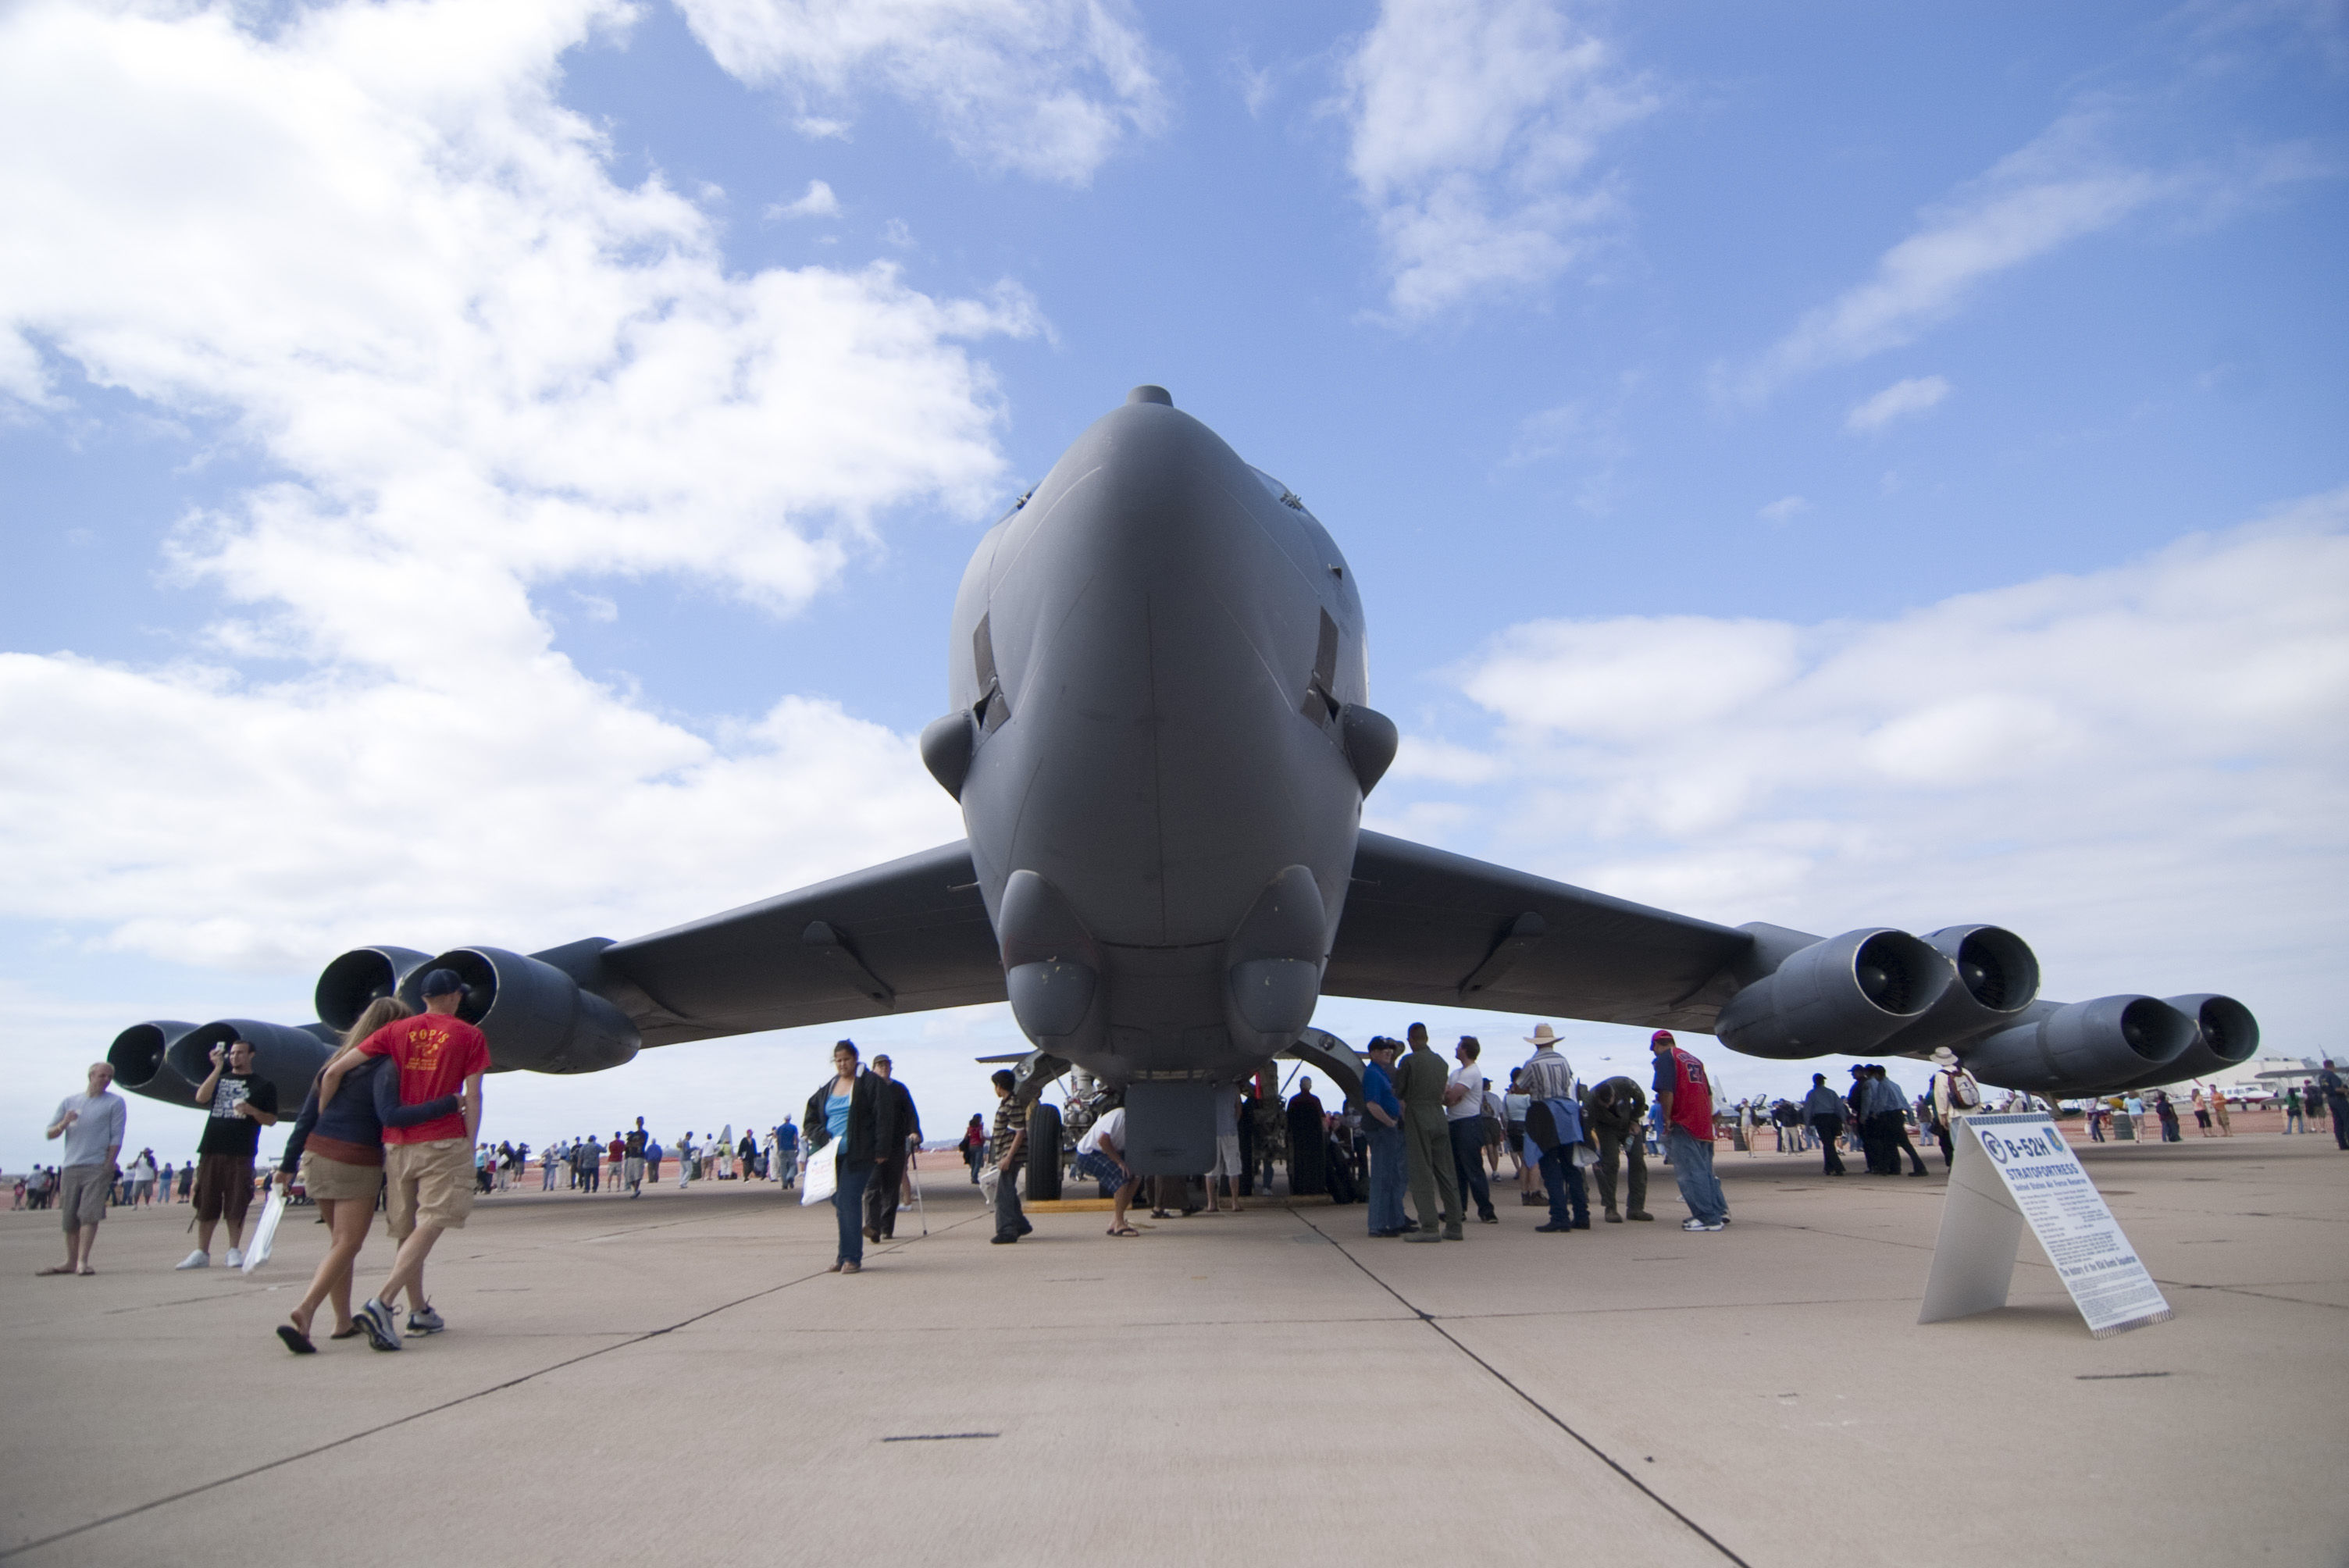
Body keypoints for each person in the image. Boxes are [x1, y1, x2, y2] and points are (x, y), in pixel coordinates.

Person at [272, 997, 462, 1352]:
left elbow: (305, 1119)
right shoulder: (386, 1065)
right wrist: (448, 1104)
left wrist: (286, 1166)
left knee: (338, 1246)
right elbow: (390, 1116)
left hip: (316, 1155)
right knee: (348, 1243)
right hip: (354, 1159)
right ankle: (306, 1309)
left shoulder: (336, 1064)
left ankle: (342, 1323)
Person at [317, 968, 490, 1351]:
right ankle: (383, 1301)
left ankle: (419, 1311)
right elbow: (473, 1095)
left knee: (407, 1228)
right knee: (433, 1220)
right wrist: (470, 1142)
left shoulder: (395, 1032)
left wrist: (324, 1118)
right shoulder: (469, 1035)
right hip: (443, 1140)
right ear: (453, 997)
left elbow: (336, 1070)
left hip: (397, 1144)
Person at [179, 1035, 281, 1270]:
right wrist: (216, 1069)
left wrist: (253, 1110)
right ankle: (201, 1252)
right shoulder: (220, 1080)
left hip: (241, 1151)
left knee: (237, 1200)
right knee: (206, 1199)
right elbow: (201, 1097)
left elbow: (271, 1119)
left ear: (251, 1055)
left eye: (240, 1053)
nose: (235, 1057)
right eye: (232, 1053)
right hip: (212, 1148)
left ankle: (234, 1250)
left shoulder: (263, 1085)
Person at [804, 1041, 886, 1272]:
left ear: (855, 1059)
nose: (842, 1064)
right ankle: (843, 1255)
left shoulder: (869, 1083)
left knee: (848, 1200)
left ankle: (852, 1258)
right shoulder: (829, 1087)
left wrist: (881, 1149)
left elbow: (883, 1115)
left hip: (860, 1153)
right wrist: (820, 1134)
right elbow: (810, 1118)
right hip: (832, 1157)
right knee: (839, 1202)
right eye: (838, 1060)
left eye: (846, 1059)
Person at [41, 1062, 127, 1277]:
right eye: (102, 1076)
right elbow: (49, 1133)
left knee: (89, 1214)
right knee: (69, 1217)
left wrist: (109, 1163)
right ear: (91, 1075)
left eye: (109, 1077)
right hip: (71, 1166)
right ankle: (69, 1260)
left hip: (97, 1166)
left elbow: (117, 1135)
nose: (106, 1080)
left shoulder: (115, 1103)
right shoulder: (70, 1102)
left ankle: (82, 1261)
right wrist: (64, 1123)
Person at [1651, 1031, 1727, 1232]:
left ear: (1657, 1045)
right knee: (1705, 1171)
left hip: (1684, 1121)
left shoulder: (1667, 1059)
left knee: (1690, 1173)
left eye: (1654, 1049)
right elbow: (1708, 1094)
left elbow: (1666, 1091)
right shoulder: (1694, 1060)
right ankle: (1718, 1211)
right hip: (1702, 1123)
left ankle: (1707, 1217)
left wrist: (1667, 1118)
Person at [1394, 1024, 1463, 1242]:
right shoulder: (1441, 1062)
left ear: (1411, 1040)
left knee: (1421, 1172)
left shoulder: (1409, 1061)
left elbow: (1399, 1090)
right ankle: (1454, 1225)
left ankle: (1430, 1226)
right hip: (1438, 1114)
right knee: (1446, 1171)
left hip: (1418, 1114)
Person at [1516, 1025, 1587, 1232]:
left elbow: (1520, 1087)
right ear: (1553, 1042)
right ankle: (1582, 1215)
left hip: (1544, 1113)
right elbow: (1567, 1083)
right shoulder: (1563, 1060)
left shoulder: (1533, 1063)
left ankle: (1559, 1216)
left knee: (1549, 1165)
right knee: (1570, 1166)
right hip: (1565, 1112)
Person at [863, 1054, 921, 1242]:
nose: (884, 1068)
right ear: (873, 1069)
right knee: (872, 1186)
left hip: (895, 1143)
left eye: (887, 1065)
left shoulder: (899, 1089)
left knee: (891, 1187)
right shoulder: (866, 1089)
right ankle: (872, 1226)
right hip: (872, 1145)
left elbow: (911, 1112)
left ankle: (886, 1227)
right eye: (880, 1066)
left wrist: (914, 1132)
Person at [1443, 1037, 1499, 1225]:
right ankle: (1459, 1209)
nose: (1456, 1048)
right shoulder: (1456, 1073)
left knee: (1472, 1167)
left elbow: (1450, 1095)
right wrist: (1449, 1097)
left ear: (1465, 1050)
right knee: (1457, 1169)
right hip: (1454, 1122)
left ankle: (1487, 1210)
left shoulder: (1471, 1072)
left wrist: (1449, 1096)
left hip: (1468, 1123)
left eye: (1458, 1046)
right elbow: (1448, 1097)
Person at [1584, 1074, 1651, 1223]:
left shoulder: (1625, 1084)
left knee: (1638, 1161)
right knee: (1611, 1163)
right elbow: (1587, 1129)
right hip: (1606, 1128)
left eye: (1610, 1102)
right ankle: (1610, 1208)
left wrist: (1635, 1119)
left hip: (1628, 1123)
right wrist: (1591, 1154)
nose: (1607, 1106)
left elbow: (1640, 1099)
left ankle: (1636, 1208)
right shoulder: (1589, 1102)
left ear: (1614, 1094)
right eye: (1604, 1104)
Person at [1359, 1038, 1409, 1237]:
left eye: (1389, 1050)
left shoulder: (1382, 1073)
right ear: (1373, 1053)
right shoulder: (1372, 1074)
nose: (1388, 1053)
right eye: (1383, 1050)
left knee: (1391, 1176)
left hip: (1387, 1129)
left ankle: (1394, 1220)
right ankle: (1377, 1224)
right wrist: (1390, 1122)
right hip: (1381, 1130)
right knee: (1381, 1178)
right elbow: (1372, 1104)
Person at [1076, 1096, 1138, 1236]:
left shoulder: (1139, 1123)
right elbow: (1103, 1140)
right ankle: (1120, 1224)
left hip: (1109, 1151)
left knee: (1137, 1175)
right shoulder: (1120, 1115)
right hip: (1089, 1152)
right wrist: (1120, 1162)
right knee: (1120, 1178)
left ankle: (1115, 1220)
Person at [986, 1068, 1033, 1245]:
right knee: (1009, 1191)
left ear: (999, 1086)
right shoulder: (1008, 1103)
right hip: (1006, 1154)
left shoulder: (1012, 1105)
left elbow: (1019, 1133)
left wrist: (1008, 1157)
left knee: (1002, 1195)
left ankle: (1007, 1230)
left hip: (1010, 1155)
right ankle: (1020, 1224)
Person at [1927, 1048, 1984, 1169]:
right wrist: (1978, 1107)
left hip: (1955, 1113)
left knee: (1958, 1145)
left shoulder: (1941, 1075)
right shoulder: (1964, 1071)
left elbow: (1941, 1096)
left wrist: (1942, 1115)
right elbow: (1975, 1088)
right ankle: (1977, 1167)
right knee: (1973, 1143)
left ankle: (1964, 1170)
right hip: (1972, 1112)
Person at [1869, 1065, 1930, 1175]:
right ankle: (1889, 1168)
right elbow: (1904, 1101)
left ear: (1877, 1074)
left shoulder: (1882, 1085)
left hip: (1889, 1116)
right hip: (1898, 1115)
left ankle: (1920, 1167)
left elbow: (1882, 1102)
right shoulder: (1895, 1085)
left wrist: (1875, 1113)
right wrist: (1910, 1116)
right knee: (1889, 1143)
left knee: (1902, 1143)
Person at [1204, 1081, 1246, 1213]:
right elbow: (1239, 1108)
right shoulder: (1233, 1088)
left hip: (1212, 1133)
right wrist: (1233, 1122)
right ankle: (1235, 1203)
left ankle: (1211, 1203)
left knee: (1211, 1170)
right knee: (1233, 1168)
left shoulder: (1208, 1087)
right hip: (1230, 1132)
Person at [1802, 1072, 1847, 1176]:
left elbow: (1807, 1110)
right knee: (1829, 1143)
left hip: (1821, 1119)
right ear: (1823, 1081)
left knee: (1828, 1144)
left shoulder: (1812, 1094)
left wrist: (1807, 1124)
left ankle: (1838, 1167)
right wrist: (1844, 1120)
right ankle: (1828, 1167)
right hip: (1833, 1119)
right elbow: (1840, 1107)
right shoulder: (1831, 1092)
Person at [2319, 1062, 2349, 1151]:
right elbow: (2337, 1089)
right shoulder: (2332, 1076)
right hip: (2339, 1099)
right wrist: (2346, 1090)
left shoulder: (2321, 1077)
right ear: (2332, 1066)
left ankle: (2342, 1144)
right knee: (2347, 1120)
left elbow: (2323, 1090)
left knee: (2337, 1121)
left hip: (2331, 1100)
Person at [960, 1114, 987, 1185]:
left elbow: (966, 1137)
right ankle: (974, 1178)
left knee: (973, 1163)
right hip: (978, 1146)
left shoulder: (970, 1128)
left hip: (971, 1146)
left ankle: (972, 1176)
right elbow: (981, 1136)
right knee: (978, 1163)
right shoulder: (980, 1127)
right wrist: (984, 1140)